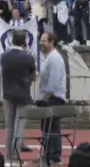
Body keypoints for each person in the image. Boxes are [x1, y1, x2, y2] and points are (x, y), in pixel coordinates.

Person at [1, 28, 36, 163]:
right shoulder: (28, 57)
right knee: (19, 126)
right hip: (23, 94)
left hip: (8, 94)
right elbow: (33, 75)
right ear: (25, 42)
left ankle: (8, 156)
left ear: (12, 40)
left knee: (9, 127)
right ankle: (16, 156)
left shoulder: (4, 56)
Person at [37, 31, 67, 166]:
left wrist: (46, 97)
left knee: (51, 128)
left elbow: (53, 81)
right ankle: (49, 155)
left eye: (44, 41)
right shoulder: (49, 57)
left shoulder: (55, 58)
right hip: (49, 97)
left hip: (53, 98)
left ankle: (54, 157)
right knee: (48, 128)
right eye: (41, 40)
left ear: (51, 42)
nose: (41, 43)